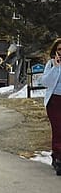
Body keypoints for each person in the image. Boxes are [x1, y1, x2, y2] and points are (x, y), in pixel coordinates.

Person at [39, 37, 61, 175]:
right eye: (59, 49)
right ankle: (58, 157)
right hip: (54, 101)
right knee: (58, 129)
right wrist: (57, 68)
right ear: (55, 51)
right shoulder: (51, 64)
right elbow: (45, 82)